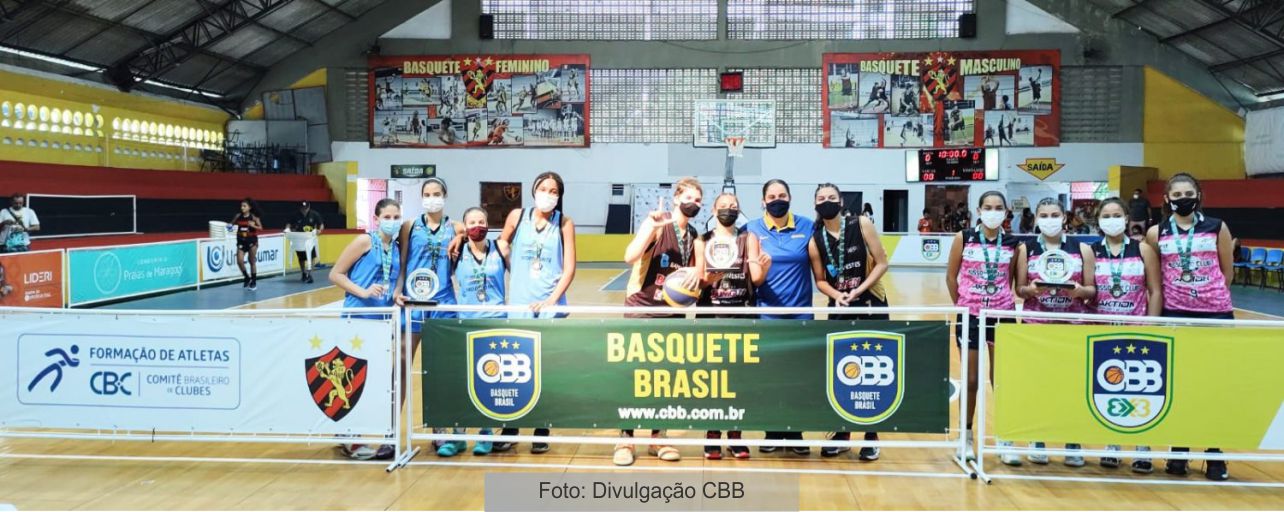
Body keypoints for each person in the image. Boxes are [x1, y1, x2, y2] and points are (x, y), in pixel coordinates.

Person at [1145, 173, 1234, 481]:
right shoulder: (1156, 233)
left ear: (1198, 195)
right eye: (1177, 193)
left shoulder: (1217, 227)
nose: (1183, 197)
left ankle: (1214, 452)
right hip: (1176, 314)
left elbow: (1227, 272)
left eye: (1189, 192)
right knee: (1179, 385)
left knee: (1213, 386)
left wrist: (1208, 295)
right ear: (1167, 199)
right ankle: (1179, 451)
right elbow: (1154, 278)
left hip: (1216, 315)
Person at [614, 177, 707, 466]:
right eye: (689, 197)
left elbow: (702, 279)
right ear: (677, 198)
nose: (694, 203)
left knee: (665, 379)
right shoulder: (656, 223)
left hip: (673, 313)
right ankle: (625, 439)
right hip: (641, 310)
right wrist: (648, 231)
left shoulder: (696, 237)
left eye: (699, 200)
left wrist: (702, 271)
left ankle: (658, 436)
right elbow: (629, 256)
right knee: (633, 378)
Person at [493, 171, 577, 454]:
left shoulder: (564, 222)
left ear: (559, 196)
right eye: (543, 188)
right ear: (533, 190)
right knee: (515, 369)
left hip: (550, 305)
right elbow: (502, 243)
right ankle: (511, 426)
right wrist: (510, 265)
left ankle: (542, 427)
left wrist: (553, 300)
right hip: (519, 302)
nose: (548, 194)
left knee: (545, 369)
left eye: (554, 190)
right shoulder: (518, 216)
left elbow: (569, 269)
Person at [808, 184, 890, 461]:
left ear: (841, 201)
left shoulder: (861, 223)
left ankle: (871, 434)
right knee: (842, 372)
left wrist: (859, 289)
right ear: (815, 204)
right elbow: (820, 279)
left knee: (873, 372)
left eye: (832, 197)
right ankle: (842, 432)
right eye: (821, 199)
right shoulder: (815, 239)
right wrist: (838, 295)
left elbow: (882, 262)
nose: (827, 201)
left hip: (870, 304)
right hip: (840, 309)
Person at [1014, 197, 1096, 466]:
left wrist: (1076, 290)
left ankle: (1072, 440)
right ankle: (1037, 438)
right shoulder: (1027, 248)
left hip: (1072, 325)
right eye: (1044, 215)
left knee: (1072, 383)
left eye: (1054, 214)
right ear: (1036, 219)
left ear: (1064, 217)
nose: (1049, 219)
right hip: (1037, 325)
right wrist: (1032, 289)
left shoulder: (1082, 248)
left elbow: (1091, 290)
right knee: (1038, 383)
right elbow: (1021, 289)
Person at [946, 191, 1020, 460]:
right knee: (972, 379)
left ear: (1006, 211)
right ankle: (964, 437)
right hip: (971, 317)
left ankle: (1005, 439)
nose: (993, 211)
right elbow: (951, 277)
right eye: (988, 207)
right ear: (979, 210)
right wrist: (965, 305)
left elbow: (1011, 280)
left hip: (1002, 316)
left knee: (1001, 380)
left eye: (998, 207)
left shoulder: (1014, 243)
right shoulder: (963, 238)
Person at [393, 178, 465, 454]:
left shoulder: (455, 226)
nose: (431, 197)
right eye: (427, 194)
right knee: (401, 366)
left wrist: (460, 237)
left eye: (436, 193)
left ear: (445, 196)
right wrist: (398, 290)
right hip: (412, 303)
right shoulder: (410, 226)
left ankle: (441, 428)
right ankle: (389, 431)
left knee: (440, 371)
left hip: (443, 302)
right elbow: (402, 262)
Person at [1091, 197, 1162, 474]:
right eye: (1106, 215)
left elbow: (1155, 290)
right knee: (1108, 388)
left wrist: (1151, 327)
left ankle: (1142, 446)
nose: (1112, 219)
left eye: (1116, 214)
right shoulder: (1090, 251)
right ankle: (1112, 444)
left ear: (1125, 217)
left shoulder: (1143, 249)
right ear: (1098, 220)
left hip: (1137, 330)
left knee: (1139, 390)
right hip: (1101, 331)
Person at [697, 192, 770, 460]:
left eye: (734, 207)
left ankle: (736, 435)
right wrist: (707, 278)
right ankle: (712, 434)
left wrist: (765, 266)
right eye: (724, 206)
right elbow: (697, 282)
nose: (729, 209)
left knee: (738, 380)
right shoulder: (702, 240)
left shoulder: (747, 238)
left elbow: (757, 279)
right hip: (711, 320)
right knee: (712, 381)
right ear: (714, 210)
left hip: (742, 317)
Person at [328, 198, 402, 461]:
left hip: (382, 320)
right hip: (357, 316)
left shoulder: (395, 248)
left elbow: (395, 278)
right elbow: (336, 274)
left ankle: (349, 432)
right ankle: (348, 435)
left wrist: (395, 293)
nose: (392, 222)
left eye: (396, 217)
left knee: (372, 379)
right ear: (377, 217)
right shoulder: (364, 242)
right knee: (349, 377)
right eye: (388, 217)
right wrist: (363, 291)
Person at [746, 179, 814, 454]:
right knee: (770, 377)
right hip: (767, 315)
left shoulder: (808, 226)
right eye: (772, 196)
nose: (777, 199)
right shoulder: (751, 229)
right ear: (763, 201)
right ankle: (772, 430)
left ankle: (796, 432)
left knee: (799, 378)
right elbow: (748, 274)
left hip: (801, 314)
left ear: (790, 198)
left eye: (782, 195)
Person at [435, 207, 507, 458]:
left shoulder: (501, 249)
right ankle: (457, 437)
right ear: (464, 226)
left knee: (489, 380)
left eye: (481, 221)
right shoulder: (456, 251)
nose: (477, 225)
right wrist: (460, 236)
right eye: (471, 222)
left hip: (496, 322)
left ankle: (486, 432)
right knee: (462, 382)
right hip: (466, 322)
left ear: (488, 224)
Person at [286, 201, 325, 283]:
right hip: (299, 238)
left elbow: (321, 224)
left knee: (312, 257)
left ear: (309, 207)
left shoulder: (314, 214)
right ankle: (303, 272)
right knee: (301, 258)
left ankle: (309, 273)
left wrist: (319, 230)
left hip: (310, 238)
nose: (304, 210)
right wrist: (287, 229)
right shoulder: (295, 215)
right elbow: (289, 224)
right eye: (302, 208)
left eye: (306, 208)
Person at [231, 198, 263, 290]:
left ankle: (254, 281)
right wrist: (229, 227)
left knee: (251, 261)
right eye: (241, 206)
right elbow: (231, 225)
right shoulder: (238, 216)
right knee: (239, 261)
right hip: (241, 241)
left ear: (249, 207)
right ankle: (247, 277)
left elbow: (261, 228)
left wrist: (253, 225)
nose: (242, 208)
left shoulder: (253, 217)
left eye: (244, 206)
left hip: (252, 241)